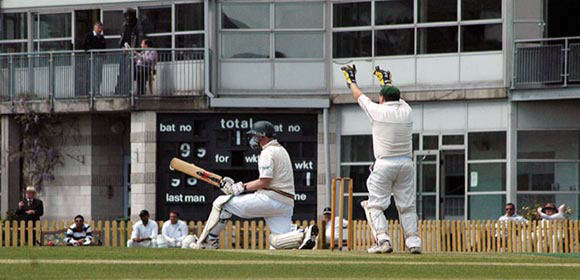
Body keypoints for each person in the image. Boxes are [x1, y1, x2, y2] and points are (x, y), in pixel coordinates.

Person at [189, 121, 318, 250]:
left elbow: (264, 181)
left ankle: (208, 241)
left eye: (255, 136)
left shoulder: (267, 152)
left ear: (263, 136)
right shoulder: (282, 150)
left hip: (270, 199)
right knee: (276, 241)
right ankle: (302, 234)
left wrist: (240, 187)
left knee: (222, 203)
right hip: (286, 204)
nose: (253, 139)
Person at [341, 64, 421, 254]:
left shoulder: (377, 111)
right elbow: (396, 98)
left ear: (382, 98)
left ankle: (383, 240)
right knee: (407, 206)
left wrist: (350, 80)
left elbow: (358, 96)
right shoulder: (407, 110)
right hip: (406, 164)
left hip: (385, 164)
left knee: (375, 205)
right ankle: (413, 242)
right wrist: (385, 81)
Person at [115, 8, 144, 95]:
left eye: (128, 16)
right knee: (121, 72)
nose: (127, 18)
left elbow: (140, 38)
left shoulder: (137, 26)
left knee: (130, 73)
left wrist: (136, 50)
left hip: (133, 53)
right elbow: (121, 38)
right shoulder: (124, 25)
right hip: (124, 51)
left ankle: (128, 91)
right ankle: (120, 90)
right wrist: (122, 47)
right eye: (126, 16)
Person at [81, 21, 106, 96]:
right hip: (91, 59)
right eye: (99, 28)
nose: (100, 30)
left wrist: (104, 56)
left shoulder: (101, 37)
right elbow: (85, 46)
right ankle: (91, 92)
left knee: (98, 76)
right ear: (95, 27)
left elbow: (104, 47)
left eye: (101, 29)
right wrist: (94, 52)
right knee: (92, 75)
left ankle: (97, 91)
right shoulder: (89, 36)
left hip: (99, 59)